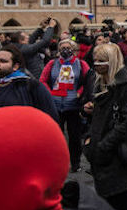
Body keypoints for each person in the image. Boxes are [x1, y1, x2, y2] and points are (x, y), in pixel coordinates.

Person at [82, 43, 127, 210]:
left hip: (115, 157)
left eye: (100, 61)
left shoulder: (124, 83)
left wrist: (104, 145)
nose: (96, 64)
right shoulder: (101, 82)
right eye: (95, 60)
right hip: (103, 157)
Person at [40, 39, 93, 171]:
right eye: (62, 47)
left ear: (73, 49)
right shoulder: (52, 63)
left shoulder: (81, 64)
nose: (65, 50)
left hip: (74, 105)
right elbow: (43, 80)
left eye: (67, 47)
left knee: (74, 137)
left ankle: (75, 163)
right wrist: (50, 94)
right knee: (55, 136)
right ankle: (56, 162)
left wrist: (80, 92)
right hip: (56, 105)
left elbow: (88, 81)